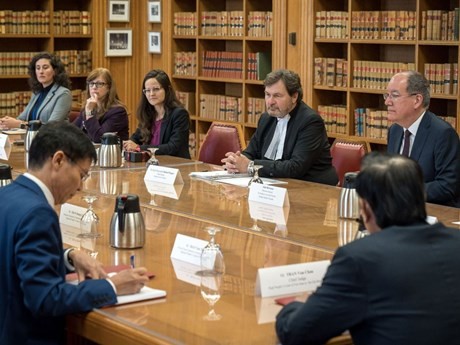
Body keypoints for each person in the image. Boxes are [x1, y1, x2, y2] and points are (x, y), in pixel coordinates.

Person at [275, 152, 460, 345]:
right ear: (421, 198)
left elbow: (295, 332)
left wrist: (297, 305)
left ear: (365, 209)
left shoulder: (358, 259)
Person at [0, 121, 149, 345]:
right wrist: (112, 286)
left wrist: (68, 255)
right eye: (82, 174)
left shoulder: (8, 194)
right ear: (58, 160)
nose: (80, 187)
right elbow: (44, 299)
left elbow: (12, 252)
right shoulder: (39, 213)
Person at [222, 69, 338, 185]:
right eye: (268, 94)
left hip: (311, 188)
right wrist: (236, 162)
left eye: (277, 96)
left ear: (294, 97)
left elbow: (295, 167)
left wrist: (250, 166)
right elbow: (251, 152)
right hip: (274, 185)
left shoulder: (310, 122)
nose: (270, 102)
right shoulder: (266, 118)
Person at [385, 70, 460, 207]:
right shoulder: (394, 131)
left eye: (394, 96)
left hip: (432, 212)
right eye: (387, 95)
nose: (387, 102)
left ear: (417, 100)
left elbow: (448, 186)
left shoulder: (443, 133)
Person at [123, 69, 191, 159]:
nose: (151, 94)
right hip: (152, 165)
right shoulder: (148, 114)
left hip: (174, 166)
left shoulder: (179, 114)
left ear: (167, 90)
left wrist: (138, 148)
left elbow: (173, 147)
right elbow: (136, 137)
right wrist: (129, 144)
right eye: (147, 90)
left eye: (156, 89)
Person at [0, 52, 72, 129]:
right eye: (38, 68)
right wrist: (6, 122)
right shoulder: (37, 93)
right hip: (32, 138)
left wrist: (20, 124)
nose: (41, 71)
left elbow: (51, 127)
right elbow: (22, 118)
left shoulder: (63, 94)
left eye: (45, 67)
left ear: (55, 71)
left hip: (53, 139)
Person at [73, 67, 129, 142]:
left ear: (109, 87)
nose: (94, 87)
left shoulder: (118, 112)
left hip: (108, 153)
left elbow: (100, 139)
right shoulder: (86, 108)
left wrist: (89, 113)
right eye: (91, 83)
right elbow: (71, 131)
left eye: (99, 84)